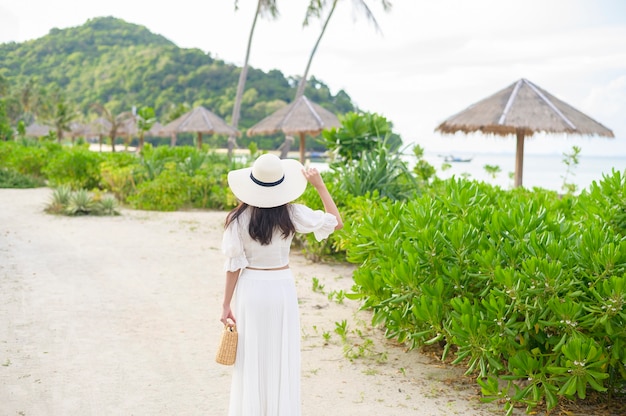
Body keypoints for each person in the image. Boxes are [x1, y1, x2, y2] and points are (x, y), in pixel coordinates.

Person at [220, 153, 343, 416]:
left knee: (252, 356)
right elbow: (336, 223)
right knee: (280, 353)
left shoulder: (238, 219)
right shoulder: (292, 214)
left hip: (251, 288)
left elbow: (233, 266)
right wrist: (319, 185)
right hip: (281, 287)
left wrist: (225, 305)